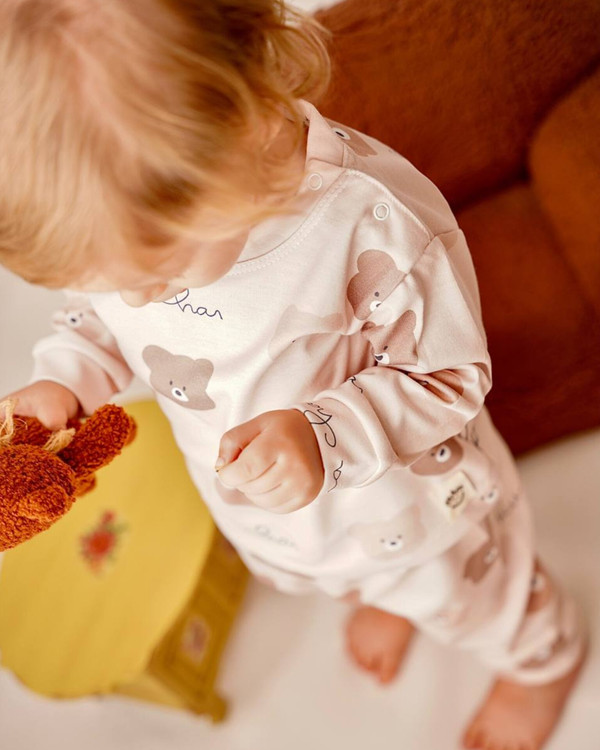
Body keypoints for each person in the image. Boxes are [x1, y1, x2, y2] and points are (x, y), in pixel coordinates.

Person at [0, 1, 587, 747]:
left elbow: (449, 376)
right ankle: (383, 596)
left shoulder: (365, 224)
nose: (138, 301)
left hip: (413, 506)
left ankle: (543, 662)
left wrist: (322, 438)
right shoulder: (135, 227)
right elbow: (103, 320)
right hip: (286, 525)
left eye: (156, 276)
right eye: (109, 283)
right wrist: (63, 382)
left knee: (480, 599)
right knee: (357, 581)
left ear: (241, 130)